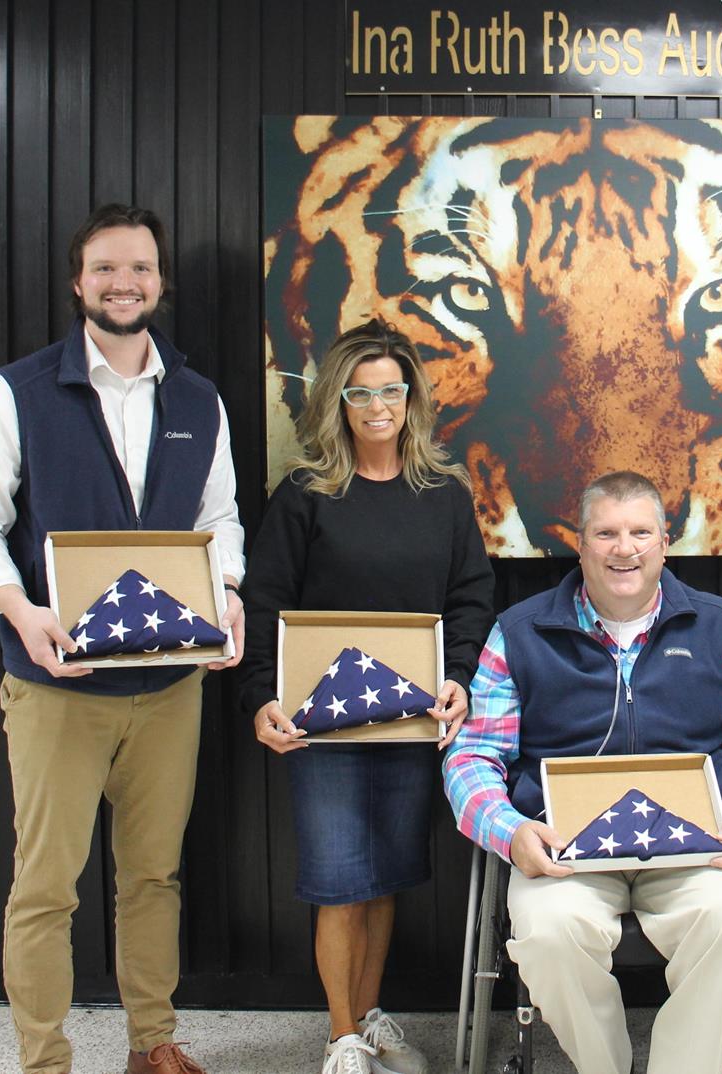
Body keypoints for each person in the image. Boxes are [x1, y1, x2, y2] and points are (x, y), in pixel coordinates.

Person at [0, 203, 246, 1074]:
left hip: (169, 688)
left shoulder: (198, 398)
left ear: (161, 281)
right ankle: (45, 1061)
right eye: (107, 269)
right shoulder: (18, 393)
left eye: (140, 269)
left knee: (153, 879)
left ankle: (152, 1043)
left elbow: (217, 518)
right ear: (78, 282)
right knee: (45, 889)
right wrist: (16, 608)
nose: (125, 284)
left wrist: (225, 591)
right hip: (55, 687)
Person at [444, 470, 722, 1074]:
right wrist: (510, 832)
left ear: (665, 542)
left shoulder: (718, 624)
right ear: (579, 544)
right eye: (606, 533)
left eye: (641, 532)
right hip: (564, 851)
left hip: (696, 847)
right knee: (549, 931)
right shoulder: (520, 632)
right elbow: (473, 756)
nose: (624, 548)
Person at [238, 319, 494, 1074]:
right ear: (338, 401)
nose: (378, 405)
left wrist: (462, 675)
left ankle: (370, 1014)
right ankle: (339, 1037)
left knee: (384, 878)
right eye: (361, 392)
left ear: (411, 397)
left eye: (392, 389)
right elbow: (265, 605)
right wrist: (260, 697)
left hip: (415, 720)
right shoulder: (305, 495)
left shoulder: (444, 494)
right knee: (340, 882)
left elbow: (472, 597)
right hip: (324, 725)